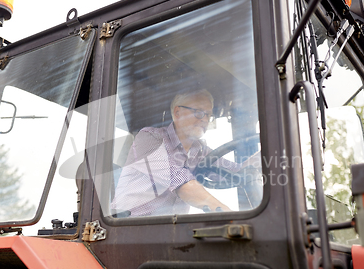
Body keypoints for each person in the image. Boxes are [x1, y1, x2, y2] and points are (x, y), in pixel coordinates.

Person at [111, 89, 260, 217]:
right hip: (126, 229)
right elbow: (180, 182)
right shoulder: (150, 138)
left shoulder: (201, 151)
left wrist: (272, 151)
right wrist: (227, 213)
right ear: (178, 113)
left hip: (170, 232)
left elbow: (237, 172)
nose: (205, 120)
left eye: (209, 115)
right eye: (200, 113)